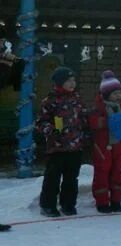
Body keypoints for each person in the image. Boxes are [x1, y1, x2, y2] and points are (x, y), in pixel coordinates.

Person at [36, 66, 88, 217]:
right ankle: (48, 205)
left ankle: (68, 205)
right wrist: (52, 130)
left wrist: (86, 133)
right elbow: (40, 122)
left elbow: (83, 119)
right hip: (57, 148)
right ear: (59, 83)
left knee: (71, 179)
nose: (72, 83)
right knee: (52, 178)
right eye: (68, 80)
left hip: (75, 147)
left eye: (73, 80)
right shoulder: (49, 101)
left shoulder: (77, 99)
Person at [88, 70, 121, 213]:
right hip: (103, 147)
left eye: (119, 93)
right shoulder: (98, 107)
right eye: (115, 93)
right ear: (106, 94)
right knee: (102, 173)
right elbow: (93, 122)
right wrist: (108, 122)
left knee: (118, 172)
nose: (118, 96)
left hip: (118, 146)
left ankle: (116, 200)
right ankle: (102, 202)